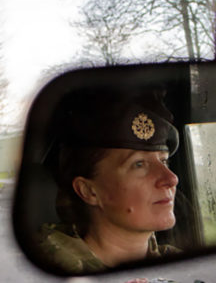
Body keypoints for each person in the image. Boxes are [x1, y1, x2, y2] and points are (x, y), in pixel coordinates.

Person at [35, 88, 181, 274]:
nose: (171, 178)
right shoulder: (48, 270)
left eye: (164, 160)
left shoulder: (183, 266)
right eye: (138, 164)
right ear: (89, 191)